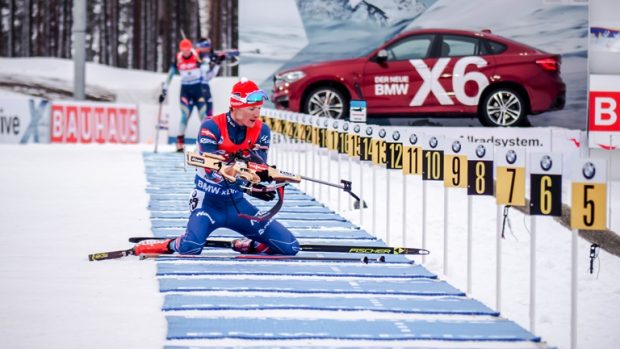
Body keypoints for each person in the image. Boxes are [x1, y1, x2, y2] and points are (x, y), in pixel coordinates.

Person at [136, 78, 300, 256]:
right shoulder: (211, 126)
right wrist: (246, 186)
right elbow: (212, 171)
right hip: (208, 204)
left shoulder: (262, 130)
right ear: (236, 106)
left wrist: (265, 182)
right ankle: (168, 244)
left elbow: (258, 167)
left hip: (238, 206)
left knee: (290, 247)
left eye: (259, 108)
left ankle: (246, 245)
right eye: (252, 108)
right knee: (191, 247)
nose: (257, 114)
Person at [159, 38, 207, 152]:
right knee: (184, 115)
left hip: (197, 89)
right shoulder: (179, 58)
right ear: (181, 49)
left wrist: (202, 63)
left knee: (203, 116)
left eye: (187, 49)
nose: (185, 52)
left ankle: (205, 141)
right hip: (185, 90)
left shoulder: (197, 55)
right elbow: (170, 74)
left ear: (190, 48)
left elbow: (206, 68)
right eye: (183, 49)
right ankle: (179, 143)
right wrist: (164, 90)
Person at [195, 37, 222, 119]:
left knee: (209, 112)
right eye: (205, 45)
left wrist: (217, 63)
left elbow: (208, 77)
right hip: (195, 88)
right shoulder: (195, 57)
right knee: (202, 113)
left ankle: (208, 129)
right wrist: (208, 61)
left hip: (205, 87)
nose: (208, 48)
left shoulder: (206, 56)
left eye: (208, 45)